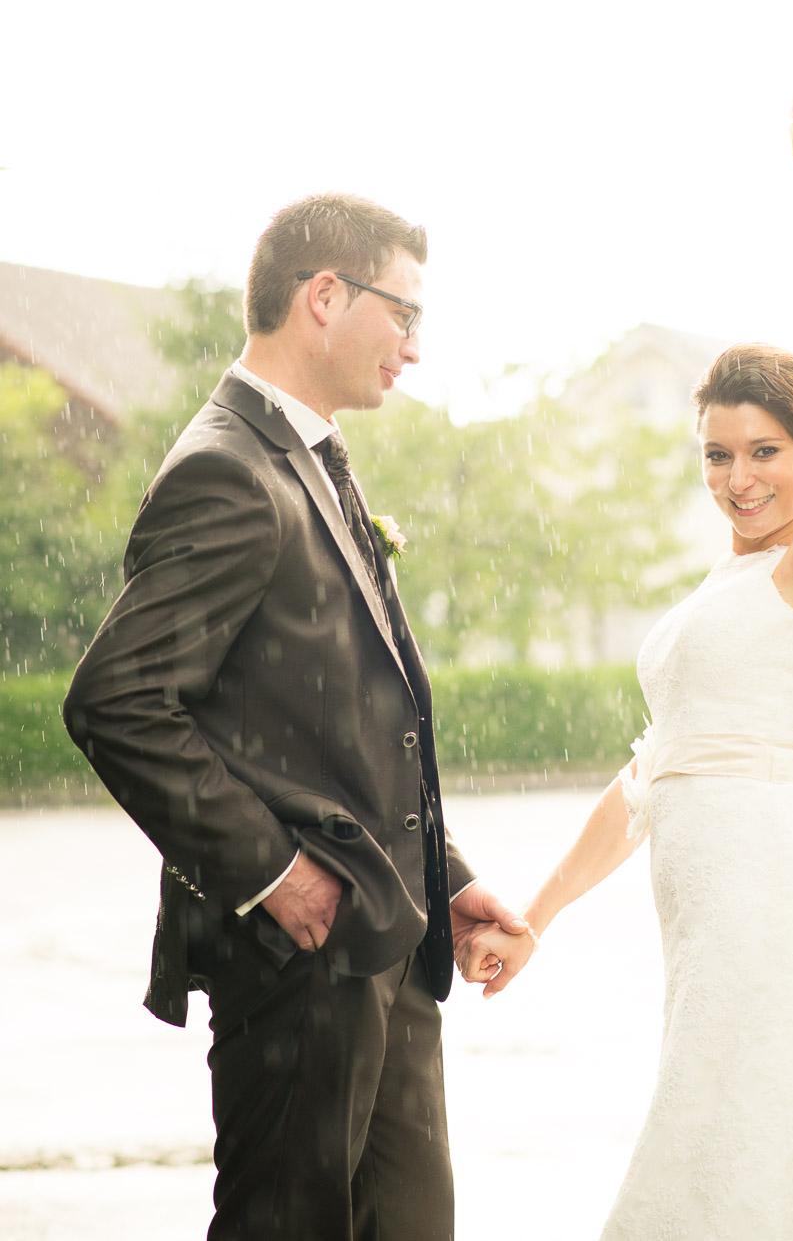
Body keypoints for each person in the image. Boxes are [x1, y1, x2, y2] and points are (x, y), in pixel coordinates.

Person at [457, 152, 793, 1237]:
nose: (740, 477)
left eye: (766, 450)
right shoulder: (720, 589)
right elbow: (647, 778)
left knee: (750, 1121)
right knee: (742, 1125)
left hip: (775, 895)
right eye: (718, 453)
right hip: (706, 910)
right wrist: (536, 915)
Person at [64, 192, 524, 1241]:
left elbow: (345, 722)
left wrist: (443, 875)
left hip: (389, 940)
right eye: (405, 313)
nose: (413, 345)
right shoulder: (228, 468)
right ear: (326, 295)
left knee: (406, 1224)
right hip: (301, 958)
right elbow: (117, 700)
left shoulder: (310, 456)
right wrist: (278, 873)